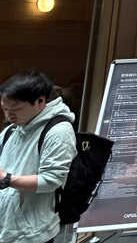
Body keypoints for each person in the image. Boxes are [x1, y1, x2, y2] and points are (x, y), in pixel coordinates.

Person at [0, 71, 77, 243]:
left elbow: (51, 180)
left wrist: (7, 179)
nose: (9, 116)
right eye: (4, 109)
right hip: (7, 228)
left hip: (31, 233)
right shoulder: (13, 128)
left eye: (16, 109)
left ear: (40, 101)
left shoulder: (59, 132)